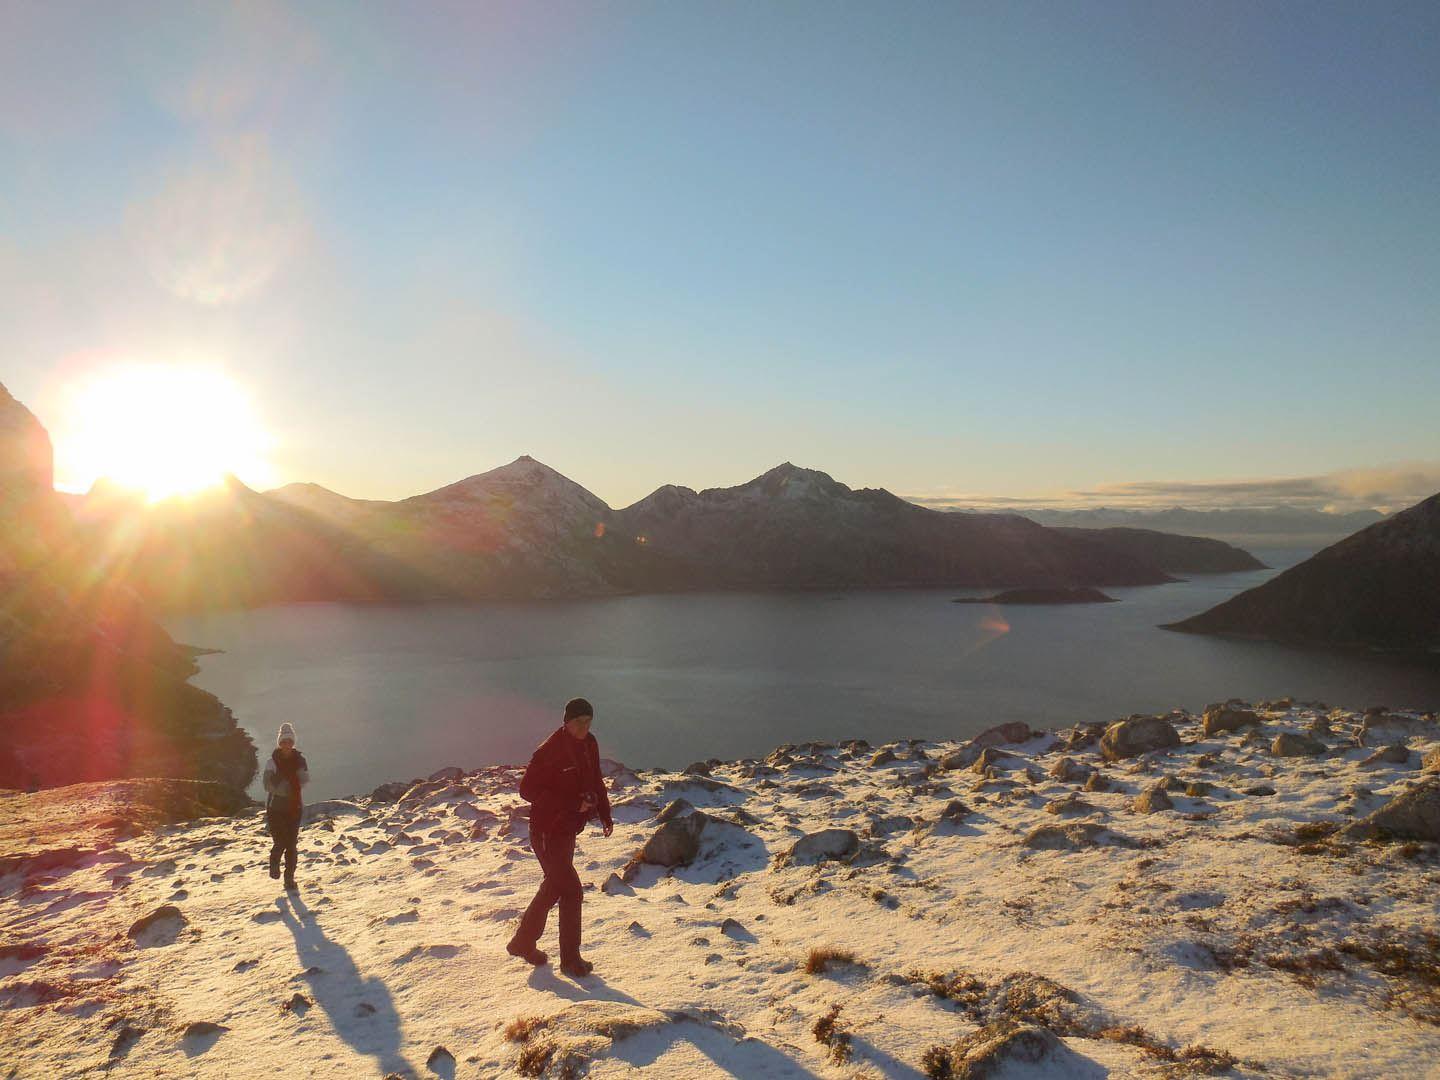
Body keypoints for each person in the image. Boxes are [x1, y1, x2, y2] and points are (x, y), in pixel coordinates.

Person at [508, 697, 613, 978]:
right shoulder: (549, 751)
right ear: (566, 722)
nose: (585, 727)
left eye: (589, 721)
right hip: (545, 831)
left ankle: (523, 942)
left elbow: (596, 779)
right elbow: (527, 791)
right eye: (579, 722)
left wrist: (605, 814)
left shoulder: (589, 744)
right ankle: (570, 960)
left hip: (567, 830)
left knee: (555, 887)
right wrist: (570, 803)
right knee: (571, 890)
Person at [263, 722, 309, 891]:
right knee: (280, 841)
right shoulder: (271, 762)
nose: (287, 745)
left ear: (293, 742)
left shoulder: (300, 760)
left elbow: (304, 779)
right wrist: (286, 785)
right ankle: (274, 863)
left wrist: (290, 781)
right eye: (284, 742)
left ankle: (289, 879)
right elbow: (267, 784)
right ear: (279, 743)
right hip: (276, 808)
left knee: (291, 844)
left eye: (289, 741)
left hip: (294, 807)